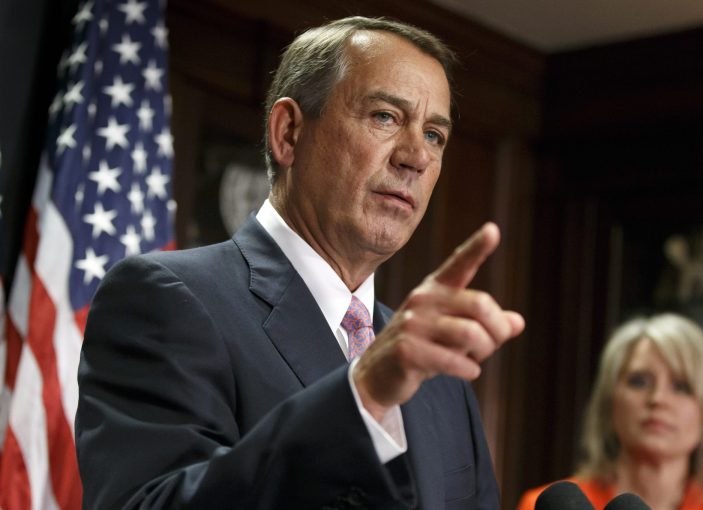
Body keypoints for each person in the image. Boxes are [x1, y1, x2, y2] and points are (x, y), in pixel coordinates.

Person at [75, 16, 525, 509]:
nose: (416, 156)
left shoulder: (439, 376)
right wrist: (364, 394)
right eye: (385, 117)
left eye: (435, 135)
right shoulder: (166, 299)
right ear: (289, 133)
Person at [517, 313, 703, 510]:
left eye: (681, 387)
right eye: (639, 381)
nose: (657, 399)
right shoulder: (540, 505)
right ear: (609, 400)